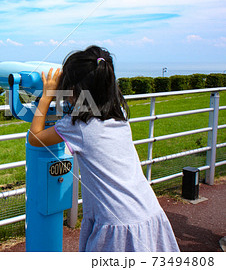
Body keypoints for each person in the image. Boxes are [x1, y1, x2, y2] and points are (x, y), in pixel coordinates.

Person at [28, 45, 179, 252]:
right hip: (148, 212)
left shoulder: (77, 126)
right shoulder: (119, 116)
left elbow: (35, 137)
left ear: (75, 91)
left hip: (117, 224)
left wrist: (46, 97)